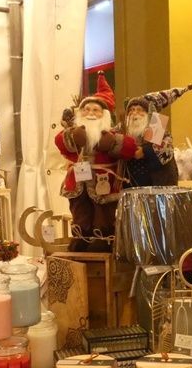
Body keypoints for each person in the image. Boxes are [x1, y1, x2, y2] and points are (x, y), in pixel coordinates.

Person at [55, 72, 137, 252]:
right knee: (80, 210)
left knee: (103, 212)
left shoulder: (112, 133)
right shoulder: (75, 132)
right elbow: (60, 143)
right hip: (78, 182)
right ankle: (81, 236)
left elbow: (130, 148)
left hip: (103, 182)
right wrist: (72, 137)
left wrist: (112, 144)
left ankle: (103, 238)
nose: (90, 113)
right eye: (87, 109)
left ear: (104, 115)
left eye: (95, 110)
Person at [122, 85, 192, 187]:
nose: (134, 113)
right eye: (131, 110)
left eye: (139, 110)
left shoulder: (157, 126)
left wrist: (145, 151)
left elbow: (166, 151)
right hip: (131, 186)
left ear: (148, 113)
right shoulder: (123, 129)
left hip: (157, 185)